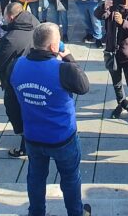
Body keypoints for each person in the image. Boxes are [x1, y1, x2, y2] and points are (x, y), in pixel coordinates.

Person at [9, 23, 92, 216]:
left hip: (33, 136)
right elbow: (84, 85)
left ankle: (36, 212)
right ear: (54, 47)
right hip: (62, 137)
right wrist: (68, 56)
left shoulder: (17, 65)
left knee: (36, 178)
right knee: (70, 178)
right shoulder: (62, 69)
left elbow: (11, 97)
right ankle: (75, 212)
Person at [0, 2, 39, 158]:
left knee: (16, 111)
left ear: (10, 17)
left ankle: (26, 144)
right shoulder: (35, 23)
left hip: (15, 80)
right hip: (37, 75)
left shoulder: (11, 39)